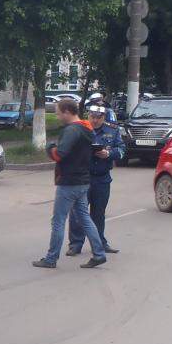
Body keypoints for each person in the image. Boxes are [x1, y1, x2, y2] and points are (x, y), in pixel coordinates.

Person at [33, 98, 107, 270]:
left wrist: (49, 148)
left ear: (67, 112)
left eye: (58, 113)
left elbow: (60, 154)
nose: (58, 116)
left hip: (69, 182)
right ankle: (99, 254)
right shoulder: (86, 128)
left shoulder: (72, 130)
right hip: (82, 180)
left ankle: (51, 258)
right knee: (84, 218)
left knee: (58, 221)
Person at [67, 101, 123, 256]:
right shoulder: (80, 130)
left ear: (104, 116)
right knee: (78, 213)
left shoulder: (113, 130)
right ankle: (75, 244)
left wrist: (109, 154)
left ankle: (99, 244)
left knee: (98, 213)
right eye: (92, 116)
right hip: (83, 178)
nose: (95, 120)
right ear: (88, 115)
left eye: (98, 117)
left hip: (102, 178)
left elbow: (122, 150)